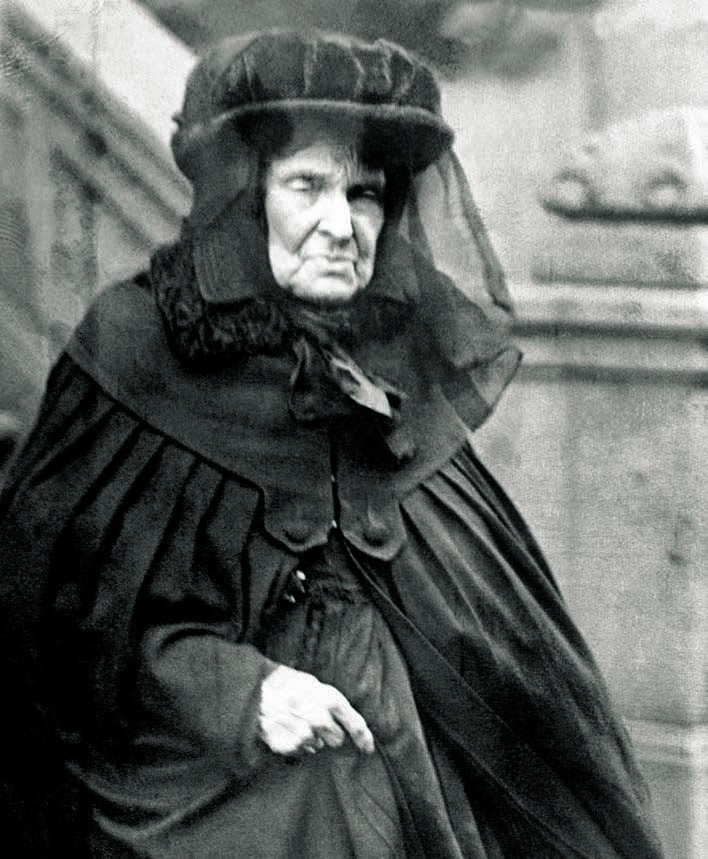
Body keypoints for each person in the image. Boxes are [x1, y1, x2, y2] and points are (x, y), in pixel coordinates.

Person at [0, 29, 663, 858]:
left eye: (366, 193)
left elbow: (504, 632)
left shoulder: (396, 352)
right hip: (210, 777)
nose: (342, 224)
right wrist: (244, 694)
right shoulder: (139, 348)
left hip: (419, 762)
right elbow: (55, 621)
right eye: (307, 185)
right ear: (245, 192)